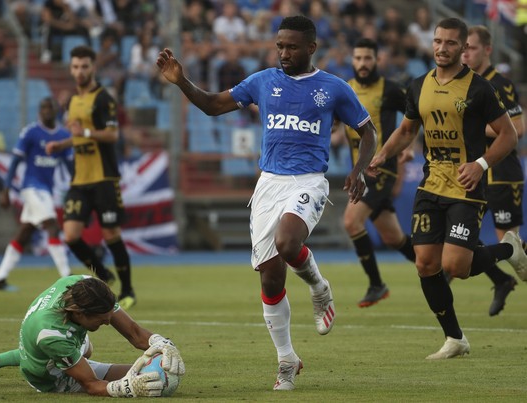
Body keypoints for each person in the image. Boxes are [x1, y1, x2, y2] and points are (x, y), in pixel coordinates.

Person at [156, 15, 377, 390]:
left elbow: (367, 132)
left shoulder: (334, 88)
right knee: (271, 277)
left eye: (292, 46)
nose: (284, 53)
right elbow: (212, 105)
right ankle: (286, 360)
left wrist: (359, 168)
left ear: (311, 47)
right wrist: (182, 82)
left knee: (288, 242)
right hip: (268, 184)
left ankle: (319, 287)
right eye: (279, 46)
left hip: (309, 180)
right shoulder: (262, 82)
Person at [367, 18, 527, 360]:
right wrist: (382, 154)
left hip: (466, 188)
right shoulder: (417, 85)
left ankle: (509, 250)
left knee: (457, 267)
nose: (442, 47)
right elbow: (408, 130)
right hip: (430, 185)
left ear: (463, 47)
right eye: (438, 41)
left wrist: (480, 164)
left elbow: (509, 135)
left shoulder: (480, 88)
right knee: (425, 264)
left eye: (451, 43)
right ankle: (455, 338)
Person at [0, 275, 185, 397]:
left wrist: (162, 343)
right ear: (80, 313)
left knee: (154, 372)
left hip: (49, 344)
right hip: (47, 375)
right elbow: (92, 385)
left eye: (109, 315)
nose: (107, 322)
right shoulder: (52, 335)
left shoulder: (85, 285)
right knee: (93, 353)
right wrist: (127, 388)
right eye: (101, 319)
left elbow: (135, 334)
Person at [45, 45, 136, 310]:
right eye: (75, 67)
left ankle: (128, 289)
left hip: (104, 178)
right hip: (79, 181)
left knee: (111, 235)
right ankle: (104, 275)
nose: (79, 71)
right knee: (71, 235)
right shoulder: (73, 101)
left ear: (92, 67)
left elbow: (112, 135)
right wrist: (59, 145)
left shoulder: (103, 98)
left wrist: (84, 132)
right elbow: (74, 134)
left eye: (84, 66)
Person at [332, 38, 415, 308]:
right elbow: (336, 123)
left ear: (377, 60)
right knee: (394, 238)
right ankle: (437, 265)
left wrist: (408, 147)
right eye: (358, 59)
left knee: (351, 222)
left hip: (381, 170)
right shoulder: (345, 90)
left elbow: (417, 115)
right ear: (352, 61)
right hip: (359, 171)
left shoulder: (390, 90)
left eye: (368, 58)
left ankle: (376, 285)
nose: (363, 64)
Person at [459, 25, 525, 316]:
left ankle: (502, 278)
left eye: (471, 47)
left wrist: (474, 129)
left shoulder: (500, 83)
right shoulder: (461, 82)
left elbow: (518, 128)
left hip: (500, 171)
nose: (465, 53)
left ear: (486, 49)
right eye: (463, 48)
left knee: (511, 247)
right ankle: (499, 280)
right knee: (462, 235)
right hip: (473, 173)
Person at [0, 98, 73, 291]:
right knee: (52, 226)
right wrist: (6, 189)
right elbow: (14, 162)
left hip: (46, 190)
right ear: (39, 112)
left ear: (56, 111)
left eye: (50, 107)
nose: (46, 111)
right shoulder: (30, 132)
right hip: (31, 188)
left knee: (25, 232)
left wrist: (78, 188)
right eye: (43, 108)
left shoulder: (63, 135)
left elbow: (71, 167)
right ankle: (68, 279)